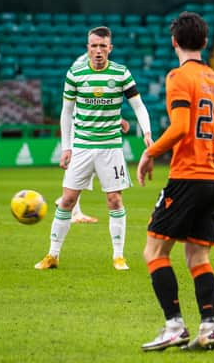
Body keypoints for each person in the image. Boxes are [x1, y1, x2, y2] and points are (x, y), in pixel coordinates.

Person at [137, 12, 214, 351]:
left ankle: (174, 325)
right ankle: (208, 328)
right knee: (198, 257)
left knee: (154, 251)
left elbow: (179, 127)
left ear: (174, 41)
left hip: (188, 177)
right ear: (205, 42)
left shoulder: (180, 77)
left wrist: (150, 152)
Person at [35, 26, 153, 271]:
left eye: (103, 46)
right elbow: (66, 112)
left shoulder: (121, 73)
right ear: (87, 48)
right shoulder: (75, 74)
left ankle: (118, 256)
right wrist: (66, 148)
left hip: (111, 148)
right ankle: (52, 255)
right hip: (82, 148)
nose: (98, 51)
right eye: (94, 46)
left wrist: (147, 133)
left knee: (114, 199)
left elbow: (139, 106)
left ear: (110, 48)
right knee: (67, 200)